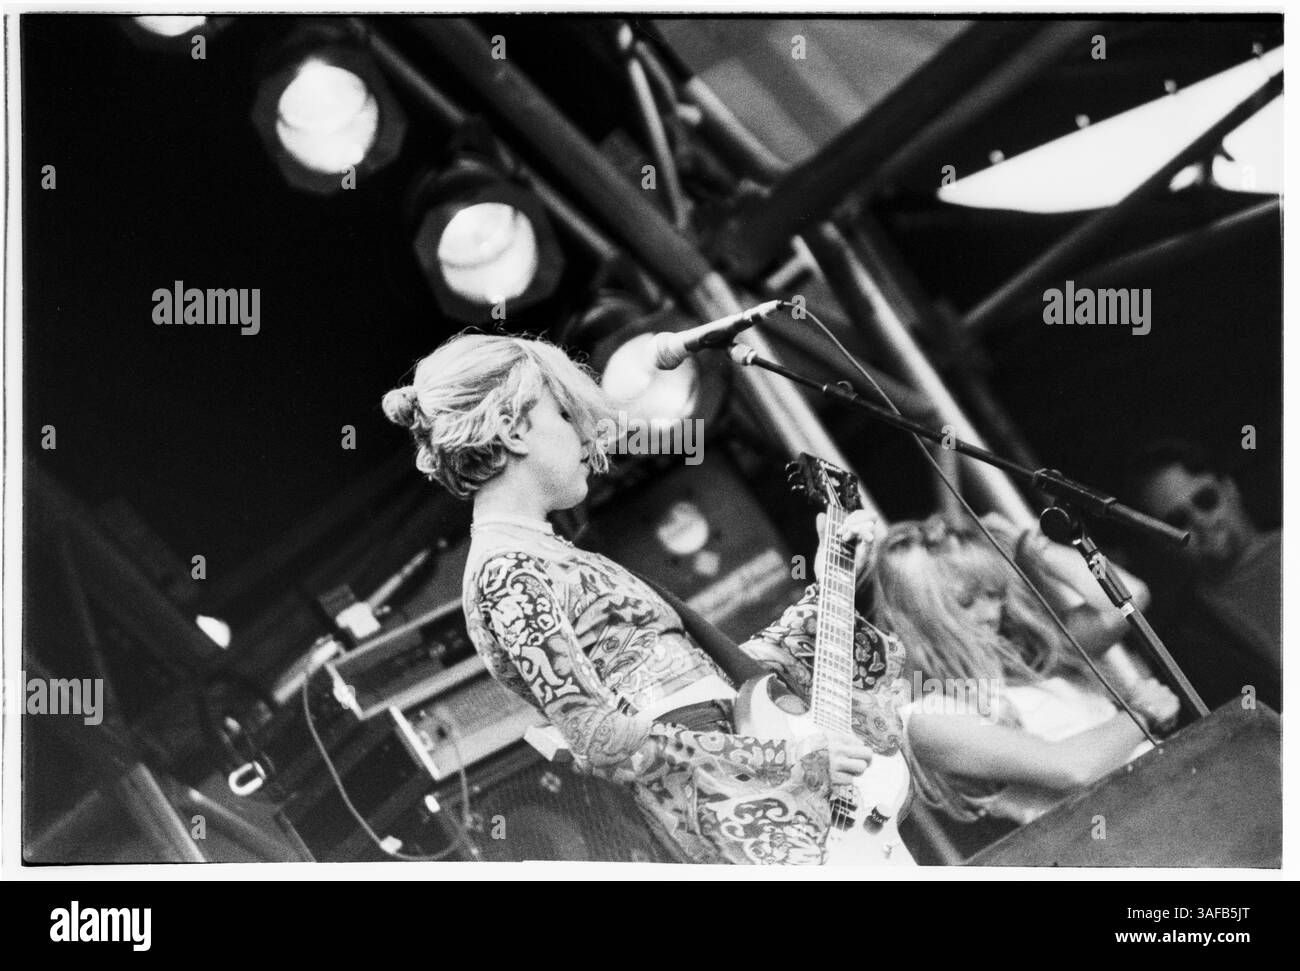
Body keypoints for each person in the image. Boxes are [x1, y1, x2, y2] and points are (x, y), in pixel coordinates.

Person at [382, 332, 909, 865]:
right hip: (727, 801)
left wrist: (832, 584)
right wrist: (783, 754)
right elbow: (598, 737)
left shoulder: (545, 555)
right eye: (566, 417)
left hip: (755, 777)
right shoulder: (506, 571)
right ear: (515, 431)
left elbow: (721, 675)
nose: (589, 438)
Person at [869, 513, 1180, 825]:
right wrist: (1142, 713)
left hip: (1165, 792)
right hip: (1111, 830)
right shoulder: (929, 717)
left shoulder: (1027, 656)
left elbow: (1128, 598)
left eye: (993, 593)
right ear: (919, 616)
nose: (992, 612)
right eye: (966, 602)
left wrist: (1031, 544)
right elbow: (1071, 769)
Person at [1125, 439, 1281, 712]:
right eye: (1177, 520)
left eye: (1205, 500)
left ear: (1229, 489)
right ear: (1162, 539)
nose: (1199, 520)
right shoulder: (1190, 632)